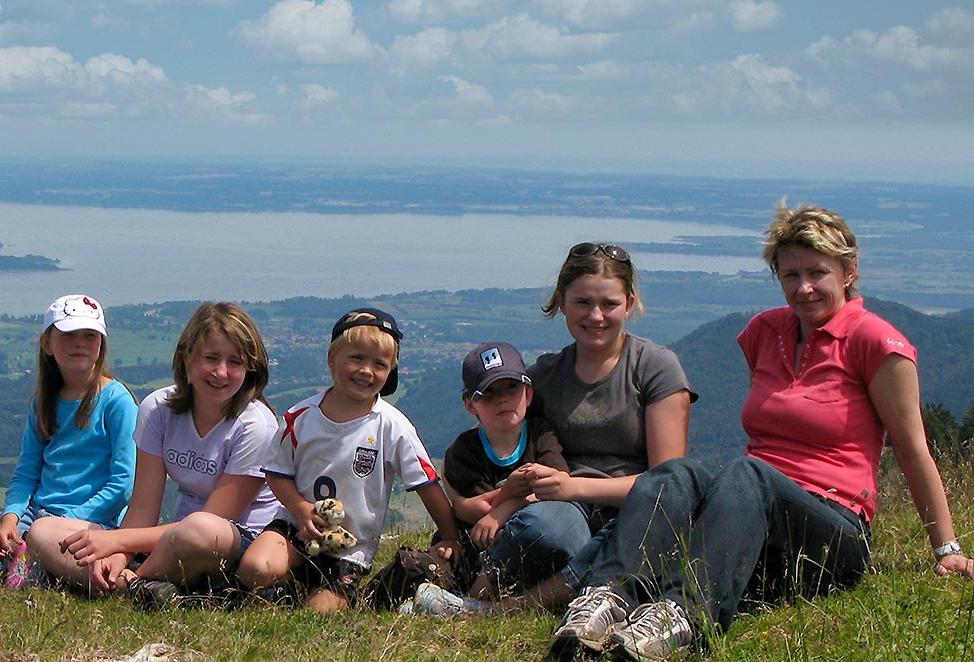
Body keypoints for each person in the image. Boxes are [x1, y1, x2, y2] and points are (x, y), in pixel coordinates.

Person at [550, 204, 974, 660]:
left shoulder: (876, 343)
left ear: (848, 271)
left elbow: (912, 451)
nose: (804, 287)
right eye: (790, 274)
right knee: (674, 474)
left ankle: (681, 617)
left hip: (833, 529)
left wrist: (945, 549)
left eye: (818, 273)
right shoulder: (764, 332)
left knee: (747, 472)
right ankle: (603, 601)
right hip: (753, 516)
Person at [474, 241, 696, 614]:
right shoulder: (545, 375)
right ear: (562, 302)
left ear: (629, 303)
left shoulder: (656, 367)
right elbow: (501, 440)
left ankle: (501, 608)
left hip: (635, 507)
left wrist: (573, 486)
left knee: (621, 538)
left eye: (609, 304)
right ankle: (483, 586)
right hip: (567, 508)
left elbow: (666, 483)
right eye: (583, 303)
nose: (596, 316)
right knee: (542, 529)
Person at [31, 302, 281, 606]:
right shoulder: (157, 409)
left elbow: (214, 520)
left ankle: (129, 586)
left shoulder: (256, 425)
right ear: (187, 357)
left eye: (235, 362)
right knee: (43, 530)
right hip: (168, 542)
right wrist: (120, 556)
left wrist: (114, 542)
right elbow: (142, 508)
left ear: (251, 369)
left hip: (233, 547)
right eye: (211, 358)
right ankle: (134, 584)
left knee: (199, 529)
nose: (221, 372)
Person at [236, 308, 463, 612]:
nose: (367, 371)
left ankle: (344, 593)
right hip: (295, 527)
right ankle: (288, 584)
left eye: (379, 364)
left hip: (349, 549)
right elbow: (277, 474)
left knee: (319, 615)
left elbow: (427, 484)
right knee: (255, 568)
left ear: (390, 371)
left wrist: (450, 537)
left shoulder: (392, 426)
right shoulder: (299, 417)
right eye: (356, 358)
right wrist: (302, 510)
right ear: (333, 359)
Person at [0, 294, 138, 587]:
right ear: (47, 343)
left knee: (24, 580)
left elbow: (123, 483)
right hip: (38, 516)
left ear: (101, 344)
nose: (80, 343)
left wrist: (60, 522)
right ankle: (52, 566)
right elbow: (26, 472)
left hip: (93, 519)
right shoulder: (44, 403)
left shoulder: (116, 401)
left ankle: (116, 577)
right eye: (69, 335)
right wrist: (10, 519)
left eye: (90, 335)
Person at [410, 341, 570, 616]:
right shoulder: (464, 451)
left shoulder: (541, 434)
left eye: (512, 388)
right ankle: (466, 601)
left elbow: (559, 483)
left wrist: (506, 504)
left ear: (528, 394)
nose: (502, 398)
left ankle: (471, 603)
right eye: (489, 393)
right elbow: (478, 513)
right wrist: (517, 495)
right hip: (477, 551)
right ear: (471, 405)